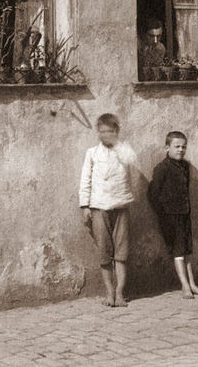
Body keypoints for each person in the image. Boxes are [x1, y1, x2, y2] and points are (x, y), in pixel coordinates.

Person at [78, 113, 136, 307]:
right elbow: (85, 179)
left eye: (109, 131)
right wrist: (85, 206)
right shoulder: (92, 153)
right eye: (101, 132)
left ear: (116, 131)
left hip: (120, 206)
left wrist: (118, 146)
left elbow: (132, 163)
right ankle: (109, 293)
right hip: (98, 207)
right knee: (104, 252)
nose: (104, 135)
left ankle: (120, 293)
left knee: (121, 252)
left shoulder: (124, 150)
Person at [149, 131, 198, 299]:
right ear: (167, 148)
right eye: (177, 146)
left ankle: (193, 284)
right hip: (170, 217)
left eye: (184, 147)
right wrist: (164, 212)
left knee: (188, 249)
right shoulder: (161, 168)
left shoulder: (185, 167)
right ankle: (184, 286)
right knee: (178, 251)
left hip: (184, 213)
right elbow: (153, 193)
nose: (181, 150)